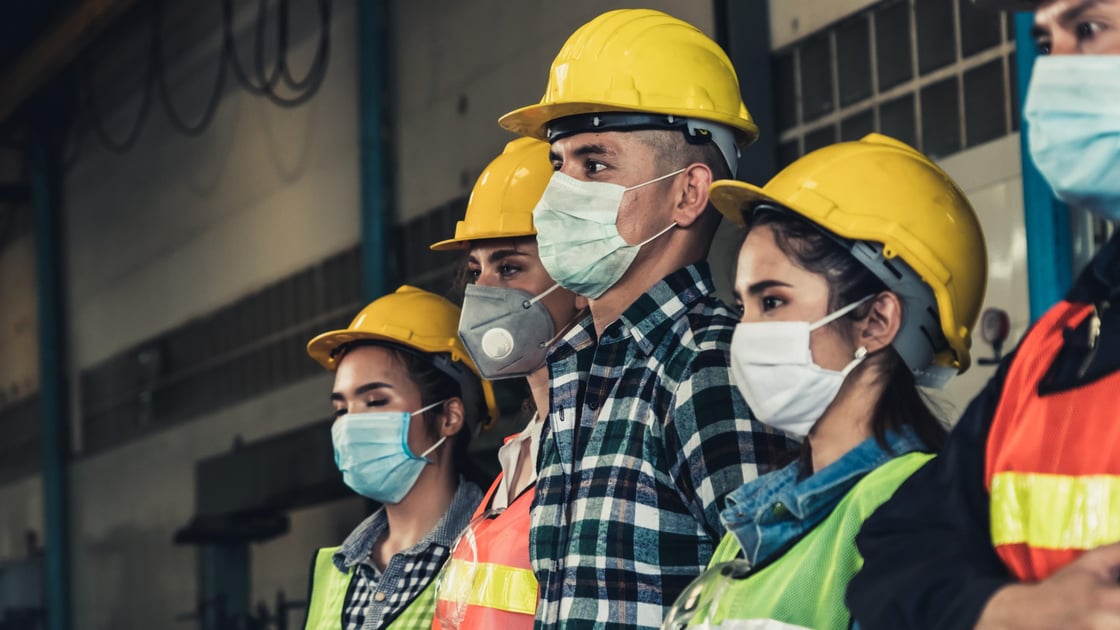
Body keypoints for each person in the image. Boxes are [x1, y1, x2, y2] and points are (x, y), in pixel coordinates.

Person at [498, 9, 798, 628]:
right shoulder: (576, 370)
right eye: (559, 165)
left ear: (688, 193)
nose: (557, 195)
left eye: (595, 164)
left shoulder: (711, 369)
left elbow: (772, 598)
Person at [846, 1, 1120, 628]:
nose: (1051, 77)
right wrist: (1016, 610)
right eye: (1048, 44)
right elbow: (896, 559)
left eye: (1089, 29)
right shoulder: (1064, 339)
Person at [657, 133, 988, 629]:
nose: (744, 335)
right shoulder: (755, 519)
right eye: (743, 306)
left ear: (876, 320)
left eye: (772, 302)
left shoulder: (912, 507)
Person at [428, 137, 586, 629]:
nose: (483, 293)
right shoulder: (518, 453)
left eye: (510, 267)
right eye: (476, 271)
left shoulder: (599, 442)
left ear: (578, 276)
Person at [302, 286, 499, 630]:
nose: (350, 424)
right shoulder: (331, 570)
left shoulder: (498, 555)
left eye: (376, 402)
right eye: (341, 409)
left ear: (449, 417)